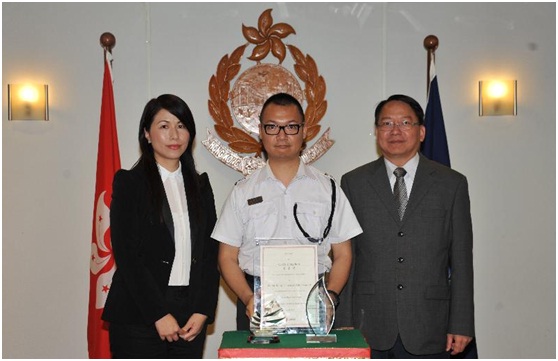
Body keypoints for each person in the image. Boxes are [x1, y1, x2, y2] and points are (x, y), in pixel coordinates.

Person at [336, 94, 474, 358]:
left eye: (405, 123)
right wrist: (344, 322)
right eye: (386, 123)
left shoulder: (451, 184)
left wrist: (462, 322)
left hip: (431, 322)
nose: (395, 131)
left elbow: (461, 259)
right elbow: (347, 256)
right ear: (376, 132)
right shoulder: (354, 182)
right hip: (369, 323)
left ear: (421, 132)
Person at [212, 92, 363, 330]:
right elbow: (226, 257)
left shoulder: (328, 189)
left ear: (304, 132)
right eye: (272, 127)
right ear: (261, 132)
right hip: (257, 304)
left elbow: (343, 254)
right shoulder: (242, 192)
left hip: (314, 303)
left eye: (291, 127)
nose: (282, 135)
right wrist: (248, 298)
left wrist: (330, 297)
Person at [102, 94, 220, 358]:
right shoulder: (129, 183)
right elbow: (127, 255)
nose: (174, 134)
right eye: (164, 126)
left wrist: (203, 310)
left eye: (181, 125)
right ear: (147, 133)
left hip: (190, 315)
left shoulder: (200, 186)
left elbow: (211, 253)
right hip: (138, 315)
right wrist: (158, 313)